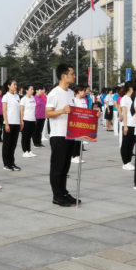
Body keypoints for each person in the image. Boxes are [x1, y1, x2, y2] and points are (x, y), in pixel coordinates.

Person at [46, 64, 77, 207]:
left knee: (65, 166)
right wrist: (62, 111)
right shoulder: (54, 93)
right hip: (58, 135)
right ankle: (57, 195)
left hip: (69, 133)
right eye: (72, 73)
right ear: (64, 76)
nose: (74, 76)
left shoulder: (70, 93)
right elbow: (48, 113)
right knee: (57, 167)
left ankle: (64, 192)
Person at [2, 80, 21, 171]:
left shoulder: (17, 96)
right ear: (9, 86)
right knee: (7, 144)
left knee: (13, 144)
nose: (16, 86)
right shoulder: (5, 97)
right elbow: (4, 111)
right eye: (14, 84)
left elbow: (19, 110)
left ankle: (12, 163)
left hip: (16, 123)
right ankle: (6, 164)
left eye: (16, 84)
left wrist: (21, 122)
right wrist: (6, 124)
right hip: (9, 123)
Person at [71, 86, 88, 164]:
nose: (84, 92)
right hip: (76, 122)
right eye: (83, 91)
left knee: (80, 139)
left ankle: (78, 155)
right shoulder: (74, 100)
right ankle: (74, 156)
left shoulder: (83, 100)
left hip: (83, 122)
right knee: (76, 140)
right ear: (78, 91)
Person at [20, 85, 37, 158]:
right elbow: (21, 111)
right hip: (26, 119)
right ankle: (25, 151)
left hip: (32, 120)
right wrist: (21, 121)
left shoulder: (33, 98)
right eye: (31, 89)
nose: (33, 91)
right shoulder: (23, 99)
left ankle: (29, 150)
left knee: (29, 136)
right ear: (26, 90)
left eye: (33, 89)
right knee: (25, 136)